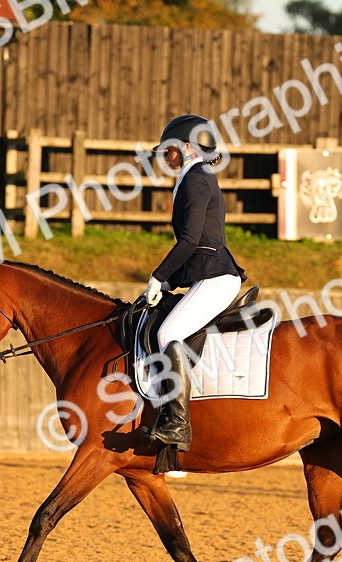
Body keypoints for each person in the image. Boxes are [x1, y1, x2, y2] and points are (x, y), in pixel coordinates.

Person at [143, 114, 247, 453]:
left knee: (166, 334)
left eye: (169, 152)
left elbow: (189, 240)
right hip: (206, 274)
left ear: (187, 148)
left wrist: (159, 276)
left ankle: (177, 425)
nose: (165, 159)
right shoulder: (192, 177)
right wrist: (169, 283)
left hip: (216, 277)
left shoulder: (197, 180)